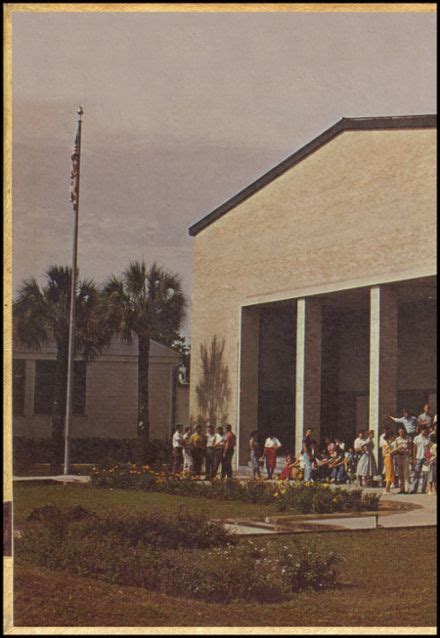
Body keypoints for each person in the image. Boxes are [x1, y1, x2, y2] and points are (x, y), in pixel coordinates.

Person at [411, 427, 430, 494]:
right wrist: (413, 459)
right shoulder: (416, 438)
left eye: (425, 430)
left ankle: (423, 489)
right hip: (418, 458)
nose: (424, 431)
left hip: (425, 458)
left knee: (425, 474)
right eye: (423, 429)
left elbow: (428, 449)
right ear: (420, 430)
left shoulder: (428, 438)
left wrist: (428, 459)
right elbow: (414, 449)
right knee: (416, 474)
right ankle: (413, 489)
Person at [393, 425, 412, 494]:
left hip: (405, 456)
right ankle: (401, 489)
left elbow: (410, 448)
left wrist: (410, 455)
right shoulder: (397, 439)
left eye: (402, 431)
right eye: (400, 431)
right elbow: (395, 449)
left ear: (404, 431)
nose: (401, 432)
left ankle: (407, 489)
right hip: (398, 456)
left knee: (406, 473)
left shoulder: (408, 438)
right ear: (398, 432)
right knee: (400, 473)